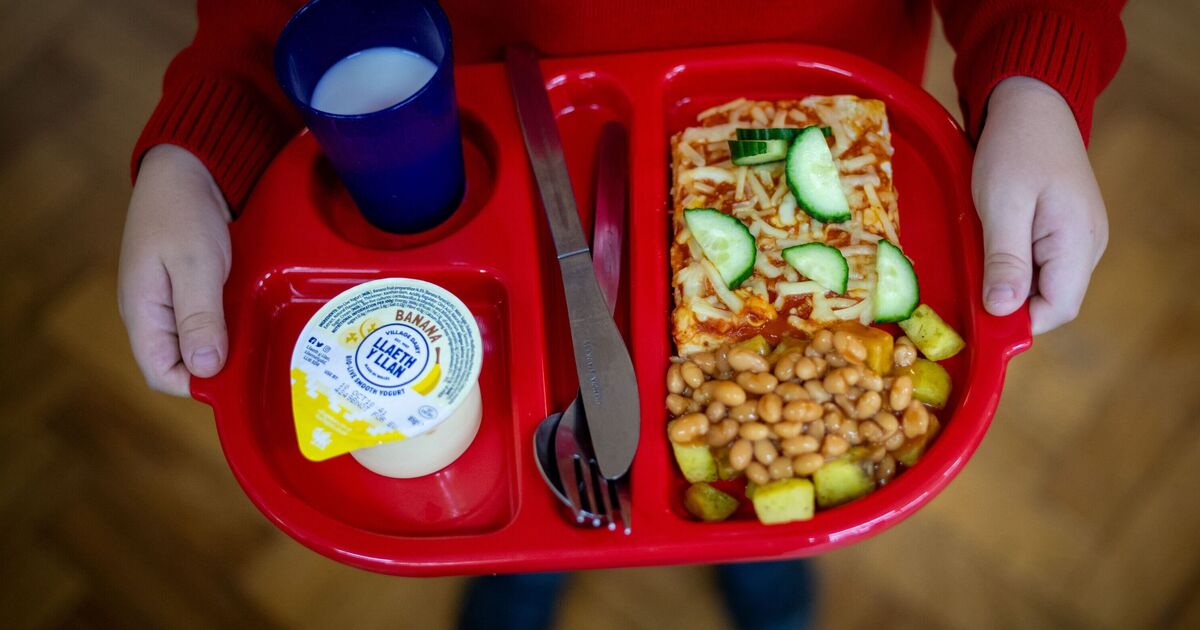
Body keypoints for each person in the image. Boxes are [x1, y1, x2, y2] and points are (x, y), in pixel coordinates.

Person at [118, 2, 1125, 628]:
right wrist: (203, 149)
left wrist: (1035, 79)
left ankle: (762, 557)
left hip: (823, 84)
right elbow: (276, 22)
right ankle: (530, 560)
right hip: (475, 140)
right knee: (522, 464)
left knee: (756, 512)